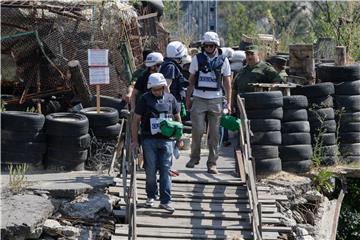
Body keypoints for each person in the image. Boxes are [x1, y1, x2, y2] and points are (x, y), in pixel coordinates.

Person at [131, 73, 181, 212]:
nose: (157, 92)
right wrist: (135, 141)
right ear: (150, 89)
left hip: (167, 141)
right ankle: (151, 195)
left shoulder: (171, 99)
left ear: (164, 87)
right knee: (151, 170)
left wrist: (179, 138)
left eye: (160, 89)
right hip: (149, 140)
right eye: (154, 89)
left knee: (166, 170)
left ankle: (165, 200)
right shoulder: (144, 99)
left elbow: (177, 118)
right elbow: (135, 121)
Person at [185, 31, 232, 174]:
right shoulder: (197, 59)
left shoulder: (224, 60)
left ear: (216, 46)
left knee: (215, 134)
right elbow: (191, 80)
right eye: (206, 46)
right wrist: (188, 98)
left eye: (211, 46)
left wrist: (229, 103)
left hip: (216, 100)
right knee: (197, 130)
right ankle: (194, 157)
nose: (209, 48)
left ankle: (212, 163)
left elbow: (227, 83)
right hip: (199, 98)